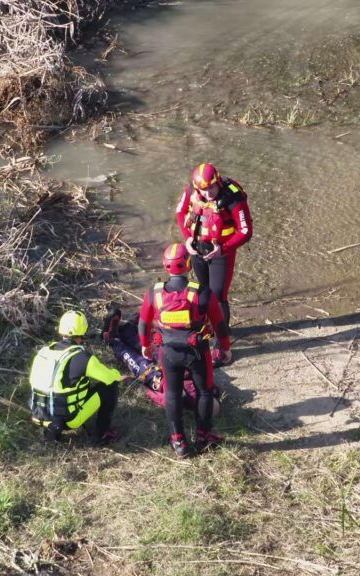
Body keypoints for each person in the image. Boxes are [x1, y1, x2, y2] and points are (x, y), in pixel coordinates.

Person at [138, 243, 232, 458]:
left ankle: (178, 441)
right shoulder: (201, 293)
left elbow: (143, 323)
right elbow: (219, 325)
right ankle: (203, 437)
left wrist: (145, 345)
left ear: (165, 266)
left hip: (168, 352)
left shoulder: (154, 293)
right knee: (204, 392)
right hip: (196, 352)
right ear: (189, 265)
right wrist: (224, 348)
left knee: (171, 393)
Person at [174, 162, 253, 349]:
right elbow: (180, 213)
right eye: (203, 190)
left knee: (218, 296)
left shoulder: (233, 199)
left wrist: (223, 249)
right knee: (202, 291)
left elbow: (245, 230)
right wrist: (187, 240)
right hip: (198, 247)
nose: (208, 194)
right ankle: (206, 328)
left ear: (217, 181)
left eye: (211, 188)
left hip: (222, 252)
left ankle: (221, 342)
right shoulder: (192, 192)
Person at [102, 304, 222, 416]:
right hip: (173, 359)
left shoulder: (184, 397)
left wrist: (138, 387)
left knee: (136, 360)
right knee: (148, 347)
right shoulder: (210, 388)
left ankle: (112, 339)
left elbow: (161, 399)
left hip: (159, 379)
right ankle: (127, 330)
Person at [28, 310, 121, 444]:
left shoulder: (43, 352)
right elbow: (109, 378)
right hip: (68, 420)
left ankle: (52, 430)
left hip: (38, 415)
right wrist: (117, 374)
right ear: (83, 332)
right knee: (109, 387)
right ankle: (103, 433)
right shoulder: (82, 357)